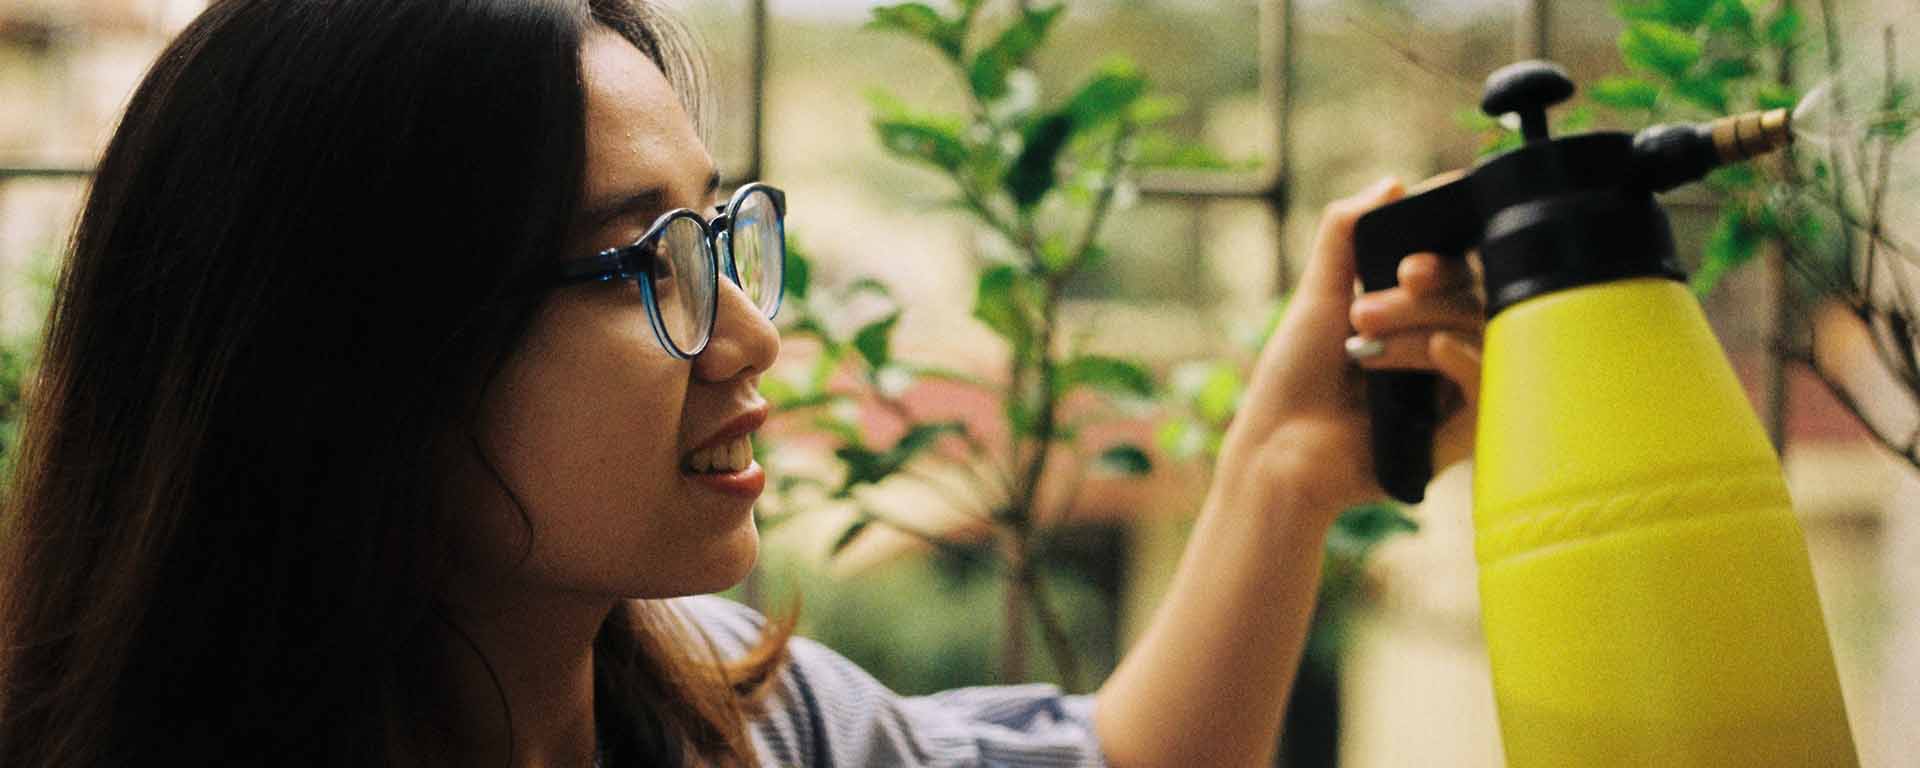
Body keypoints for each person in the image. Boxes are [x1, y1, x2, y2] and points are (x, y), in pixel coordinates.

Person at [0, 1, 1483, 766]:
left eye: (716, 236)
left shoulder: (734, 716)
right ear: (362, 351)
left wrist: (1282, 468)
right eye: (639, 263)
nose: (752, 339)